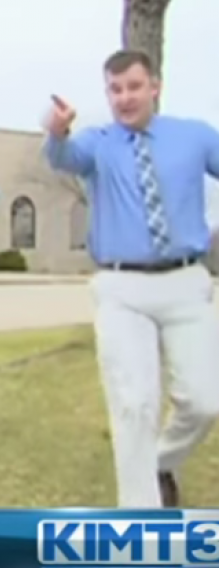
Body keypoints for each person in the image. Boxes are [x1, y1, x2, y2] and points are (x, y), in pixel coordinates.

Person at [43, 49, 219, 507]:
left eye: (134, 87)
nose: (125, 98)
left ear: (154, 87)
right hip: (121, 289)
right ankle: (140, 520)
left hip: (185, 281)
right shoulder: (98, 144)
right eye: (115, 89)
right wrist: (57, 130)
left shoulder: (195, 136)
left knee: (205, 401)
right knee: (134, 403)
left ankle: (160, 461)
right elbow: (61, 156)